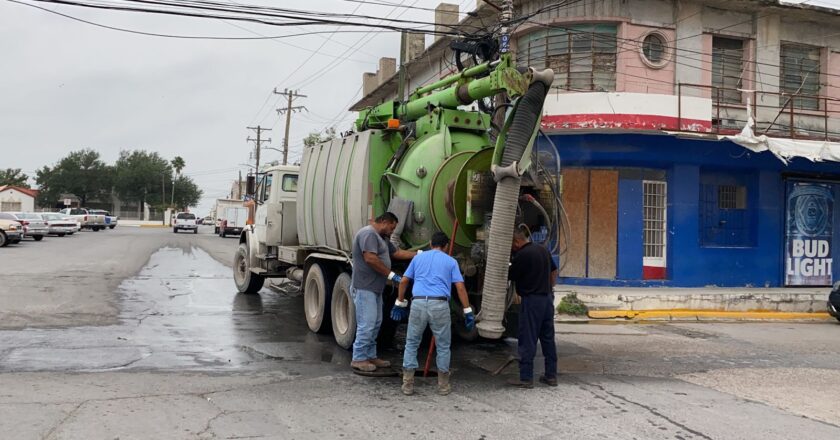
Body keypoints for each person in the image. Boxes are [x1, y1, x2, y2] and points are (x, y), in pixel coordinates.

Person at [391, 231, 474, 396]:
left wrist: (400, 302)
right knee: (443, 346)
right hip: (440, 304)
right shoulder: (451, 262)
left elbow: (405, 281)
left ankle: (407, 384)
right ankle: (443, 386)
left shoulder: (418, 258)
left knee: (412, 343)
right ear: (446, 246)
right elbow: (460, 287)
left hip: (418, 302)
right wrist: (467, 311)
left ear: (430, 243)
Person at [350, 212, 416, 372]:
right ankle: (358, 358)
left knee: (376, 323)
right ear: (385, 222)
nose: (392, 231)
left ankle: (370, 355)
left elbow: (397, 253)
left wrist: (420, 255)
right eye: (392, 227)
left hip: (375, 288)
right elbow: (370, 259)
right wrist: (392, 275)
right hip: (365, 287)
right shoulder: (368, 234)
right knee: (367, 323)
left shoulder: (382, 238)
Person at [507, 227, 559, 388]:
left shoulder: (522, 255)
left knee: (527, 339)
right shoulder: (543, 250)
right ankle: (551, 376)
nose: (512, 248)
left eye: (512, 244)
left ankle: (526, 378)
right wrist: (550, 288)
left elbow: (511, 276)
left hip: (532, 301)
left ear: (517, 241)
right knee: (548, 339)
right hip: (547, 299)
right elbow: (554, 271)